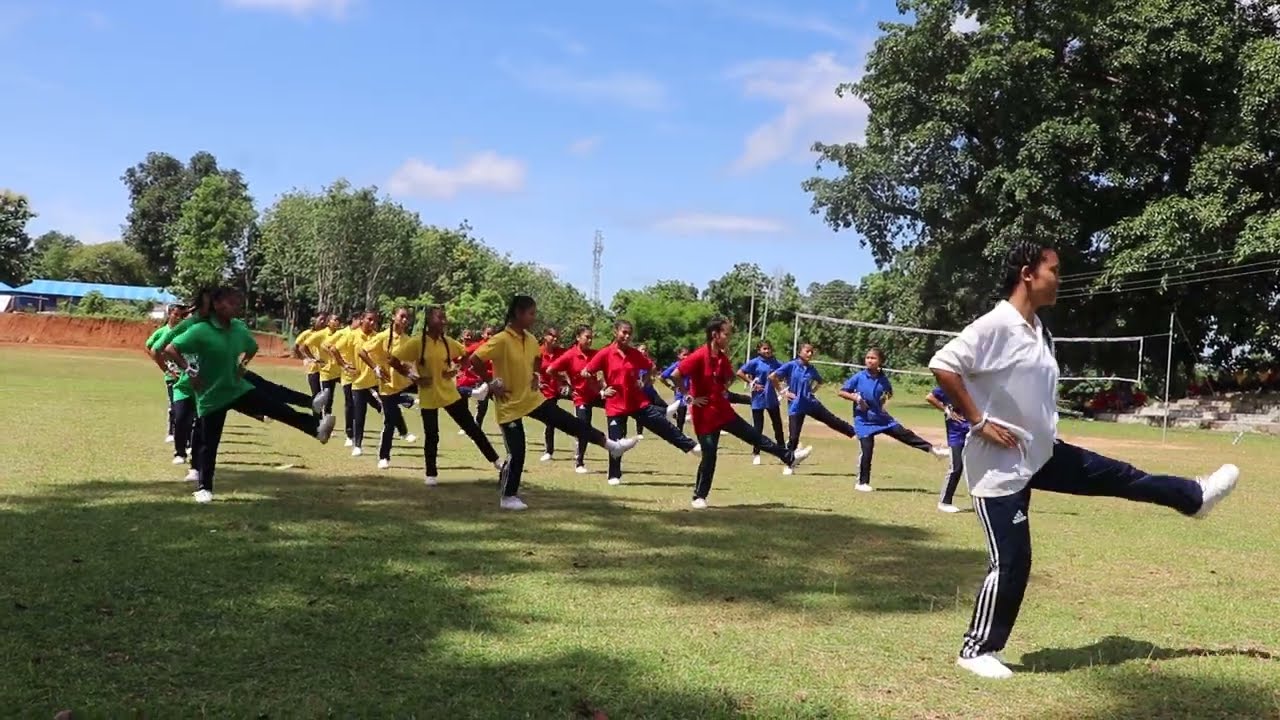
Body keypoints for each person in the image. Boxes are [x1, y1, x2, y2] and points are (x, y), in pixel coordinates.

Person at [928, 240, 1240, 680]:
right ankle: (976, 649)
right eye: (1054, 270)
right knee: (1012, 561)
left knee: (1120, 476)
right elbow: (943, 364)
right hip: (999, 466)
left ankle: (1193, 497)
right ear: (1027, 274)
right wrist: (978, 422)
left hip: (1042, 453)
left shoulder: (1038, 329)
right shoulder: (997, 324)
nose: (1060, 278)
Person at [163, 287, 337, 503]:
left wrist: (242, 364)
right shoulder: (201, 330)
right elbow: (170, 349)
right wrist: (190, 371)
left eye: (238, 301)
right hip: (211, 395)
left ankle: (316, 429)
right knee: (209, 443)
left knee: (276, 408)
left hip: (236, 388)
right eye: (231, 301)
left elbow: (252, 347)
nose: (237, 305)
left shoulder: (238, 328)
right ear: (217, 305)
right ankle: (204, 488)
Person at [471, 296, 639, 510]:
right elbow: (475, 359)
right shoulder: (501, 339)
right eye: (531, 313)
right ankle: (508, 497)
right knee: (517, 451)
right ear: (518, 314)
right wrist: (490, 383)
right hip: (509, 405)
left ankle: (612, 446)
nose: (534, 317)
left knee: (570, 422)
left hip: (532, 399)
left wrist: (535, 374)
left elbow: (537, 358)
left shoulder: (530, 339)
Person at [668, 318, 813, 508]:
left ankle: (789, 457)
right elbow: (675, 375)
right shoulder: (699, 355)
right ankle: (699, 497)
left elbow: (729, 377)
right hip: (704, 416)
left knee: (755, 436)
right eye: (726, 334)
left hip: (723, 411)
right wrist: (688, 397)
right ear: (715, 335)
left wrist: (723, 387)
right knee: (709, 455)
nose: (729, 338)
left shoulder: (722, 357)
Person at [582, 320, 699, 487]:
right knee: (616, 441)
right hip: (615, 404)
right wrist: (601, 391)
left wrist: (644, 382)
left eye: (629, 333)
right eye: (624, 332)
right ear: (615, 332)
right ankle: (614, 474)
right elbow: (586, 372)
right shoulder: (605, 353)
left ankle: (691, 447)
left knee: (662, 425)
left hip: (637, 402)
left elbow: (651, 367)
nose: (627, 336)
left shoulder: (635, 354)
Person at [400, 306, 503, 485]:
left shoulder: (448, 342)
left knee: (472, 428)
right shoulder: (417, 343)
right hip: (428, 395)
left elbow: (466, 356)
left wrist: (456, 369)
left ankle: (497, 461)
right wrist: (414, 377)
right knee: (432, 435)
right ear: (429, 320)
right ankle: (431, 474)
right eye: (440, 318)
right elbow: (394, 360)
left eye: (444, 318)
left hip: (449, 393)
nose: (444, 321)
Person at [837, 347, 950, 492]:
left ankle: (933, 450)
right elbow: (842, 392)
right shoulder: (859, 377)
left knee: (904, 434)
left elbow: (888, 393)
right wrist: (857, 398)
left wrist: (883, 402)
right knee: (867, 450)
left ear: (880, 361)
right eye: (868, 358)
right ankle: (862, 483)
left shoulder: (883, 379)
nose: (870, 361)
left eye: (873, 358)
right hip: (864, 420)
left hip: (881, 419)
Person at [768, 343, 858, 476]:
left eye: (811, 352)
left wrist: (812, 391)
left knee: (831, 419)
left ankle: (855, 433)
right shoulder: (791, 365)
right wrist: (783, 392)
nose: (810, 354)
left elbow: (820, 381)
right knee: (794, 436)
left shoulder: (811, 369)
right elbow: (772, 377)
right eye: (807, 351)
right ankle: (789, 464)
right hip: (796, 405)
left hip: (811, 403)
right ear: (799, 352)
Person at [360, 306, 422, 469]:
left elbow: (412, 363)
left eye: (407, 317)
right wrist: (375, 367)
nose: (404, 320)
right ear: (394, 317)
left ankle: (409, 401)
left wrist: (414, 374)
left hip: (404, 384)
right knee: (390, 421)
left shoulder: (408, 340)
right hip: (387, 386)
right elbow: (362, 351)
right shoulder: (383, 337)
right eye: (402, 316)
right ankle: (384, 457)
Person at [546, 325, 605, 474]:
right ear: (578, 337)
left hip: (596, 394)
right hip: (581, 397)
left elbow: (607, 366)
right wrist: (564, 381)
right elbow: (550, 370)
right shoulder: (570, 355)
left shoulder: (595, 354)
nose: (590, 340)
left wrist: (602, 383)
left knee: (620, 408)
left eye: (591, 338)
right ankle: (579, 462)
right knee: (583, 427)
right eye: (587, 337)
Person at [145, 304, 190, 447]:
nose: (178, 318)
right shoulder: (162, 332)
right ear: (169, 314)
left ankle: (185, 436)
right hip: (171, 375)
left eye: (181, 316)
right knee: (173, 405)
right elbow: (149, 346)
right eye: (175, 314)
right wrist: (163, 364)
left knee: (186, 407)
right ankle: (171, 432)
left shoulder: (185, 332)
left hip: (185, 374)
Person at [737, 341, 785, 466]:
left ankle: (783, 453)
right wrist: (751, 382)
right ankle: (756, 453)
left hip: (772, 398)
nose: (767, 351)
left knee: (778, 426)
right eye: (764, 349)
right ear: (759, 351)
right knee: (758, 427)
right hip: (758, 398)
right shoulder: (755, 362)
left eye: (769, 348)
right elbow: (740, 372)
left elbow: (785, 371)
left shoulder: (775, 362)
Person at [925, 385, 969, 513]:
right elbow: (930, 397)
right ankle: (944, 502)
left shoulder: (976, 384)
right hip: (956, 433)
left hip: (975, 430)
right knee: (956, 466)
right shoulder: (951, 383)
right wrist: (945, 409)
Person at [537, 326, 567, 462]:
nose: (555, 339)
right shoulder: (538, 352)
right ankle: (549, 450)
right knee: (550, 419)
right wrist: (538, 382)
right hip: (544, 390)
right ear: (545, 336)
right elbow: (531, 369)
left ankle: (549, 451)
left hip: (558, 389)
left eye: (557, 337)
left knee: (552, 421)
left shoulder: (561, 352)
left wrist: (565, 381)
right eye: (552, 336)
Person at [294, 313, 328, 398]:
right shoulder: (307, 333)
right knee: (316, 394)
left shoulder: (327, 333)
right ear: (315, 320)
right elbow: (296, 346)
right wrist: (304, 357)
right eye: (321, 319)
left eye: (325, 320)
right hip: (313, 368)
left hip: (326, 368)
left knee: (327, 395)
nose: (323, 321)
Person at [659, 347, 691, 432]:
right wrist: (671, 386)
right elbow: (662, 377)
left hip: (691, 392)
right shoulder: (676, 365)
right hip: (681, 393)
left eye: (688, 355)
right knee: (681, 413)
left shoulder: (690, 364)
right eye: (684, 355)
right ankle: (679, 432)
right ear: (679, 356)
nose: (686, 357)